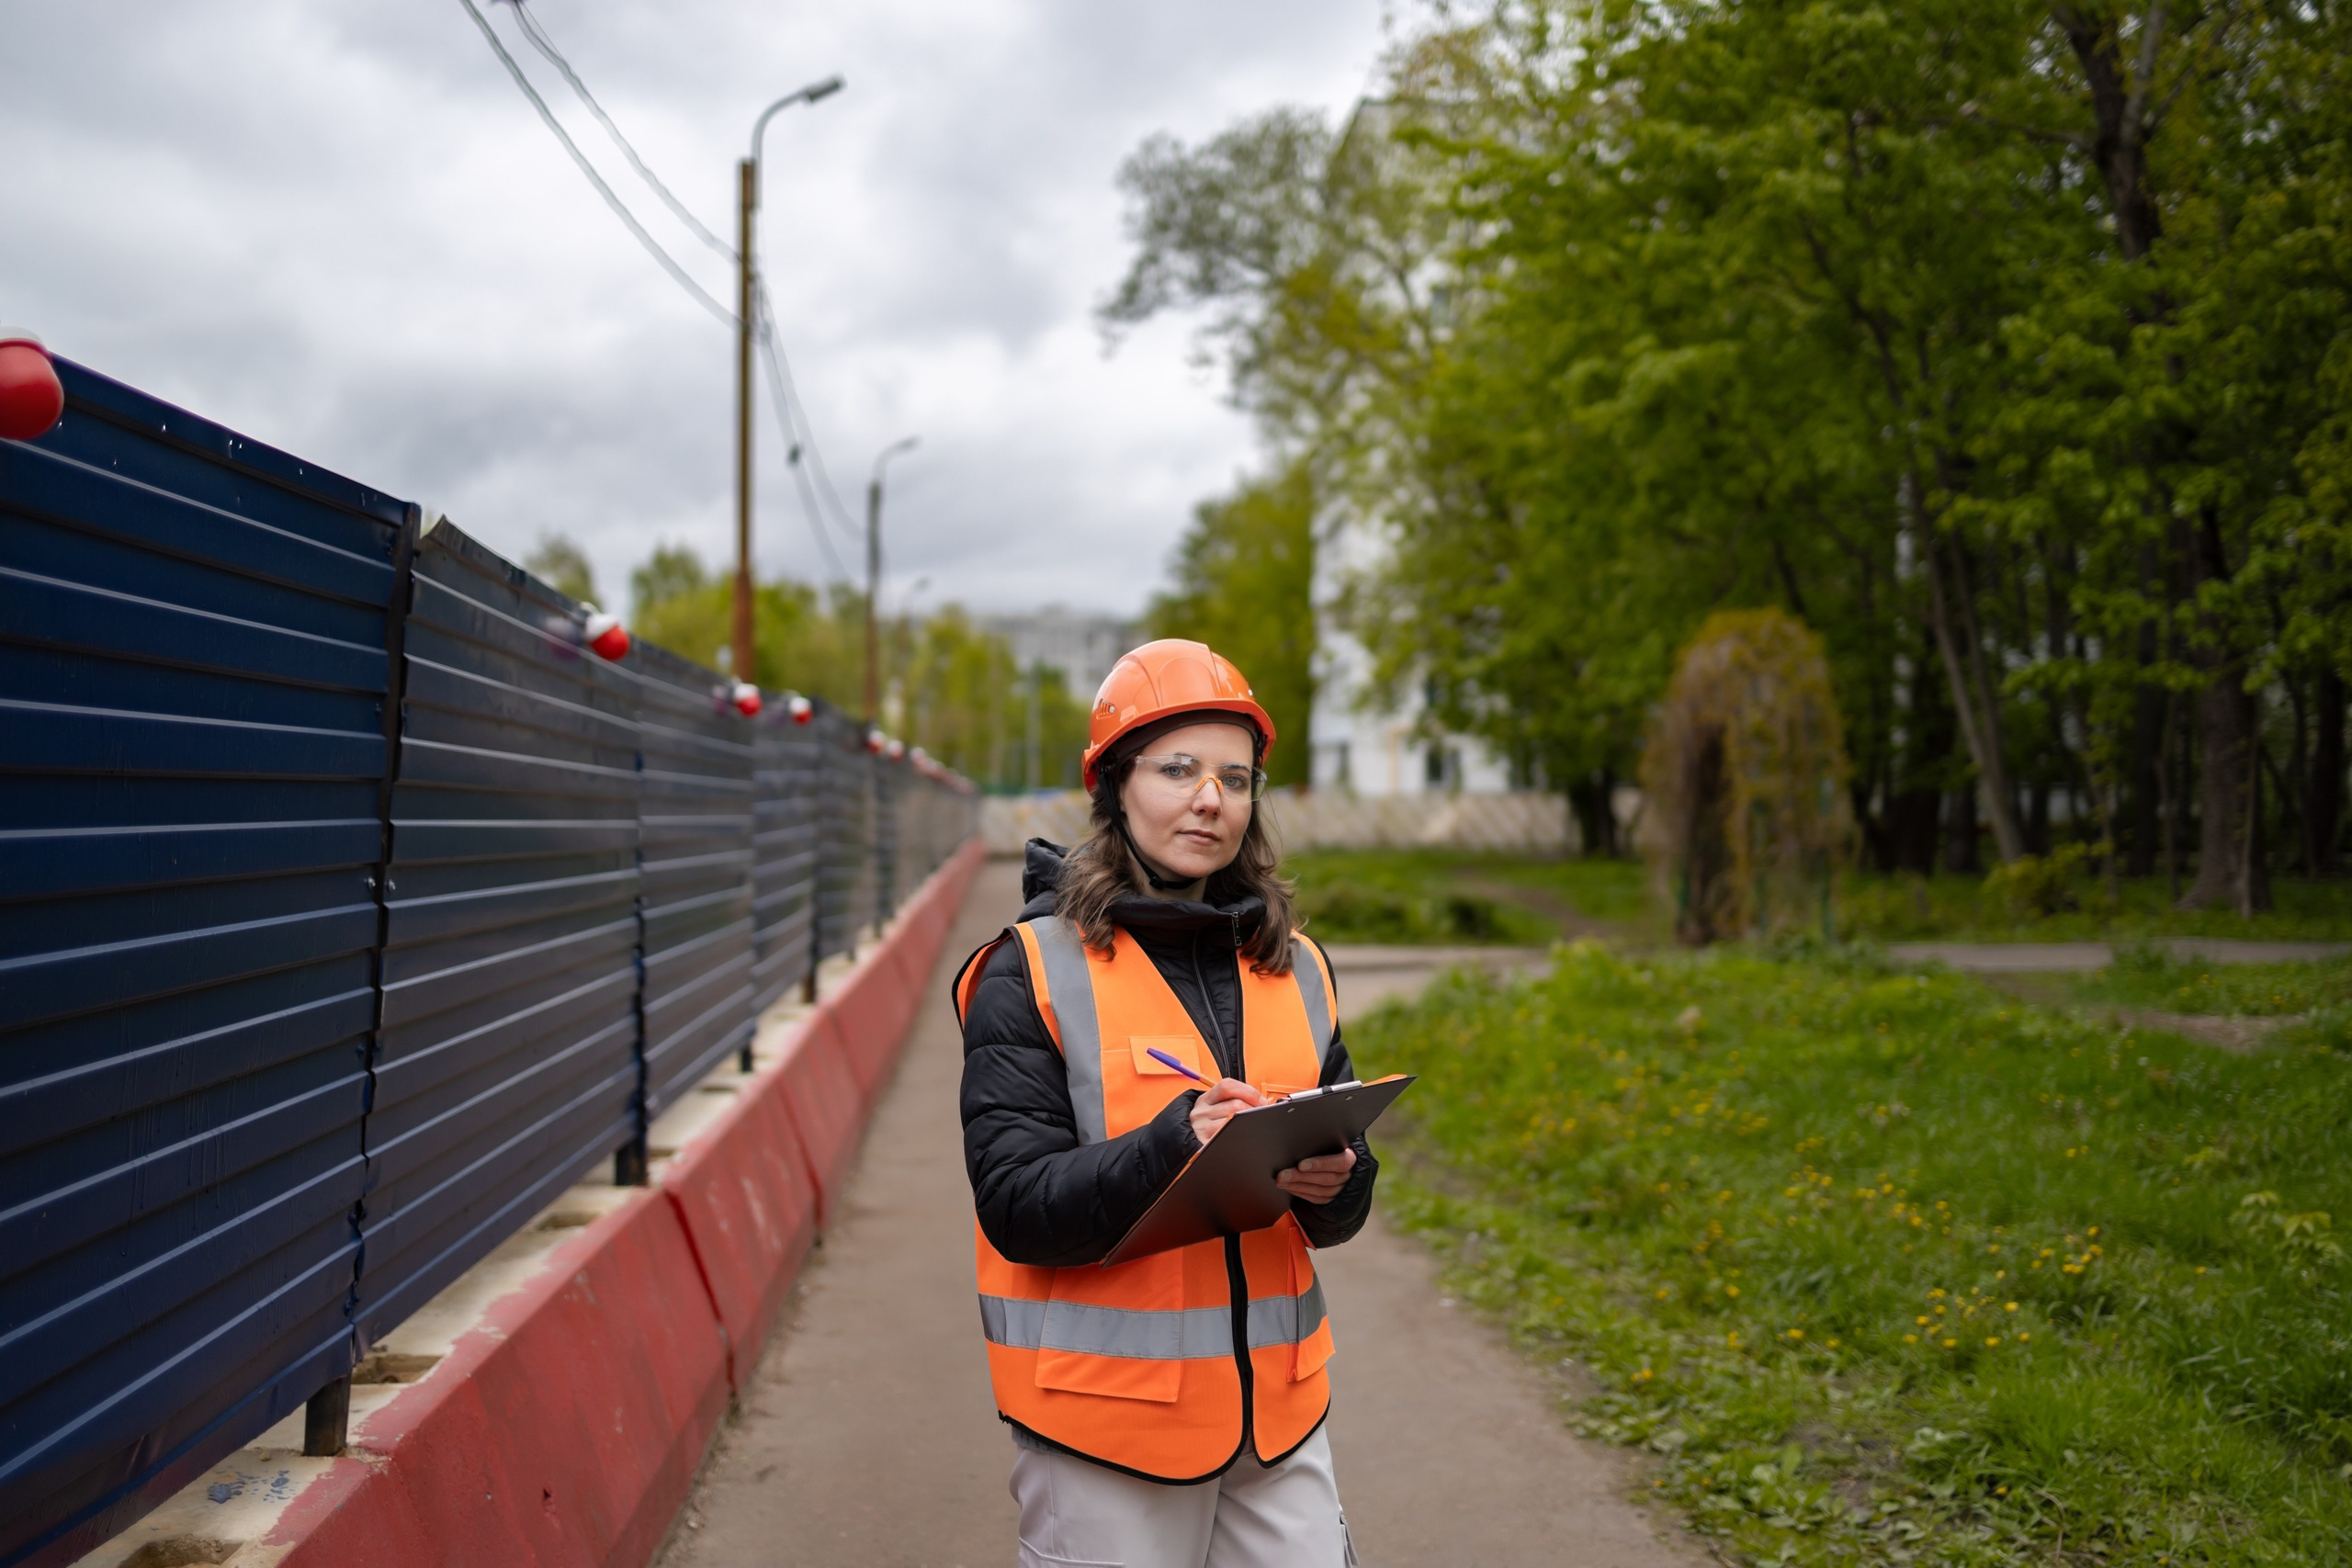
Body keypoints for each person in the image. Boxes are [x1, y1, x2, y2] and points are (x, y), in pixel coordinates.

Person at [956, 639, 1375, 1568]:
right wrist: (1172, 1146)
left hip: (1277, 1419)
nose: (1210, 798)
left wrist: (1336, 1182)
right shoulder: (1029, 970)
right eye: (1178, 770)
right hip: (1106, 1432)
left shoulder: (1296, 965)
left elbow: (1340, 1202)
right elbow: (1017, 1205)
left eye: (1235, 776)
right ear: (1112, 787)